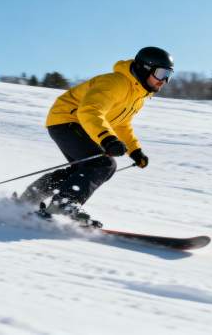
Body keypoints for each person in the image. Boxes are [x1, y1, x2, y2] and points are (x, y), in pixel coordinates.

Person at [19, 46, 174, 227]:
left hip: (81, 124)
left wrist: (135, 151)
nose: (164, 81)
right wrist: (108, 139)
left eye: (169, 75)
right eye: (161, 73)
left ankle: (29, 198)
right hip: (67, 119)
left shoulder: (138, 96)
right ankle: (64, 205)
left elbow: (121, 124)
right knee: (103, 164)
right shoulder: (116, 83)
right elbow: (89, 110)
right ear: (144, 68)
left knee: (81, 171)